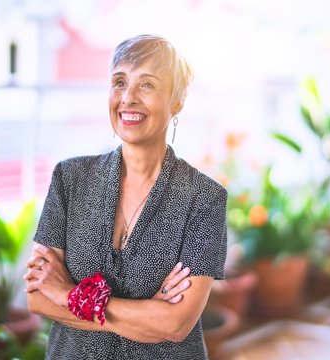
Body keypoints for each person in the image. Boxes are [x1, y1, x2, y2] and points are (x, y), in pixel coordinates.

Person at [23, 34, 228, 359]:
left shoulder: (205, 199)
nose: (128, 97)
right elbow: (37, 298)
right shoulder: (69, 179)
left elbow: (176, 324)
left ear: (177, 100)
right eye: (119, 82)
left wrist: (67, 294)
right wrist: (146, 314)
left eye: (146, 85)